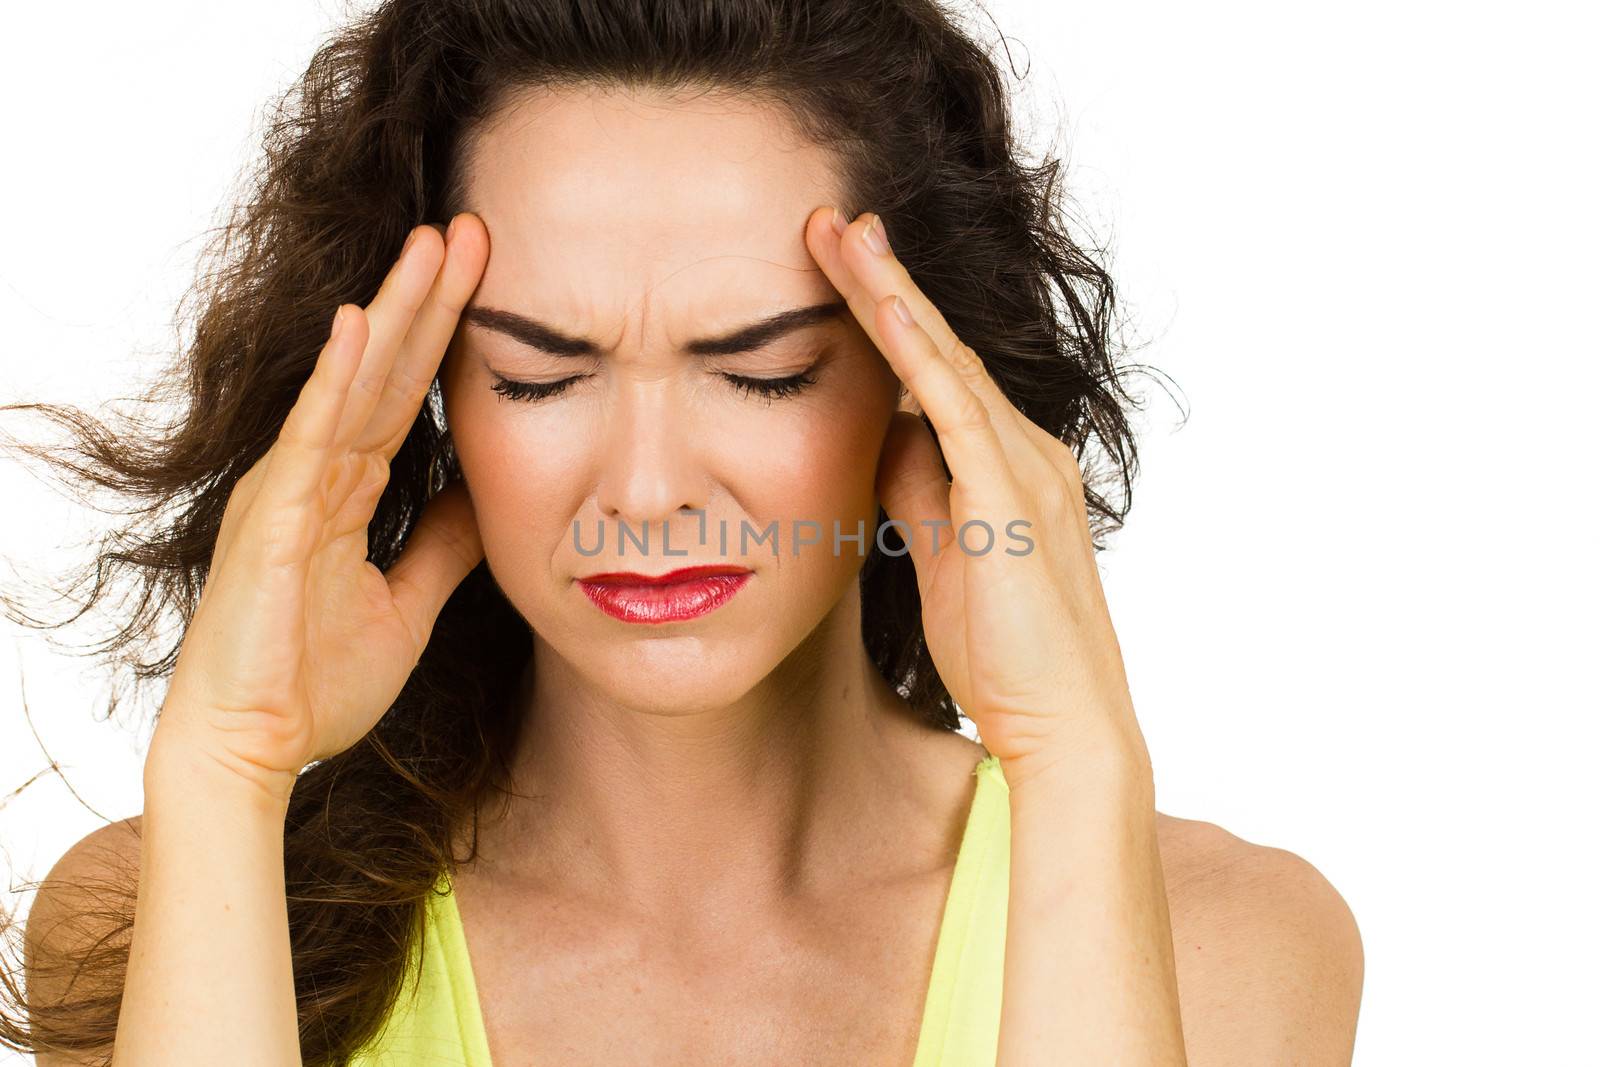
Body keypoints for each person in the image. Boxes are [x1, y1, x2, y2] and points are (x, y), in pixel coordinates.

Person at [1, 1, 1363, 1064]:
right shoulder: (157, 906)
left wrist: (1074, 759)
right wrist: (228, 767)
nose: (646, 492)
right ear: (432, 399)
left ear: (917, 368)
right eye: (537, 375)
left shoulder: (1227, 941)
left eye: (763, 370)